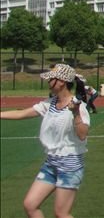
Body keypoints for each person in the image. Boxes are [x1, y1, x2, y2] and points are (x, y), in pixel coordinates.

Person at [0, 64, 90, 217]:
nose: (48, 82)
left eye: (51, 79)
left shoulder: (78, 106)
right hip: (51, 162)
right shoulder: (49, 103)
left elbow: (82, 134)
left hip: (69, 164)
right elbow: (22, 113)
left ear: (61, 82)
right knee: (30, 205)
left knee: (61, 214)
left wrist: (75, 113)